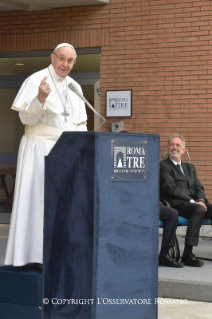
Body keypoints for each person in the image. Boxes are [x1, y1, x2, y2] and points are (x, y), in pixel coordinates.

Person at [4, 43, 87, 267]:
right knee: (38, 201)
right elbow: (26, 119)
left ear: (74, 63)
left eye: (70, 61)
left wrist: (82, 150)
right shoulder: (36, 80)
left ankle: (58, 253)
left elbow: (80, 124)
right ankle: (34, 256)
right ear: (52, 58)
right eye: (62, 59)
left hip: (66, 152)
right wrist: (40, 99)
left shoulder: (74, 86)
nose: (65, 64)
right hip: (38, 149)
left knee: (63, 203)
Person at [160, 134, 212, 267]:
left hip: (193, 203)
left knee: (209, 207)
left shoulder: (190, 167)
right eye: (172, 145)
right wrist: (192, 201)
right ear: (167, 148)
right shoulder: (164, 166)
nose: (174, 147)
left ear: (183, 150)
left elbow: (198, 186)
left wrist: (200, 199)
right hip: (175, 203)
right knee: (199, 209)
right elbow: (170, 189)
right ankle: (188, 254)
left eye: (178, 145)